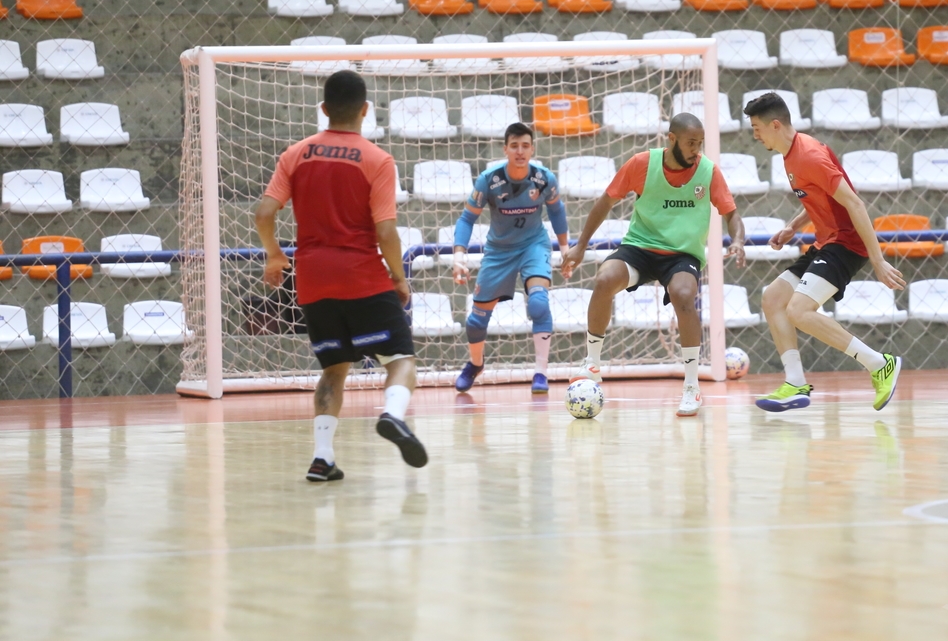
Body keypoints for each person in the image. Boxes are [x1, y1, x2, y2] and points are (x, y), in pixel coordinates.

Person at [255, 70, 428, 481]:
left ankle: (323, 457)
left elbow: (263, 212)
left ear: (323, 109)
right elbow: (385, 230)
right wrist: (399, 278)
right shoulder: (377, 159)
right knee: (400, 360)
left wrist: (274, 255)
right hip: (362, 275)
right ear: (365, 110)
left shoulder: (294, 155)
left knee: (334, 368)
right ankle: (392, 416)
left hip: (313, 279)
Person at [559, 113, 746, 417]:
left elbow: (732, 214)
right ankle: (592, 363)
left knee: (685, 295)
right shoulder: (642, 164)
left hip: (682, 254)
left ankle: (691, 387)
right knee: (605, 279)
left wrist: (736, 240)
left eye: (700, 143)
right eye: (690, 143)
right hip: (640, 247)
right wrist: (580, 246)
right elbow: (606, 201)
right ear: (671, 139)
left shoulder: (708, 172)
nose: (696, 149)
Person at [744, 92, 906, 413]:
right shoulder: (792, 153)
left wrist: (878, 260)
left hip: (846, 243)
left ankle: (879, 363)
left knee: (799, 310)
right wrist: (793, 226)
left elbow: (855, 203)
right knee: (773, 298)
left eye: (757, 128)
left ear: (775, 125)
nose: (755, 134)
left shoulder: (809, 156)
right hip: (826, 240)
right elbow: (820, 197)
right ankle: (795, 383)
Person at [452, 122, 569, 395]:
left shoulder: (543, 178)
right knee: (476, 321)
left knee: (539, 302)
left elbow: (557, 212)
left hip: (533, 245)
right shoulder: (489, 179)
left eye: (525, 146)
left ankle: (541, 373)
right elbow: (467, 218)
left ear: (532, 149)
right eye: (514, 146)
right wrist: (459, 254)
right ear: (505, 149)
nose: (520, 151)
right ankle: (475, 364)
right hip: (499, 251)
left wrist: (565, 250)